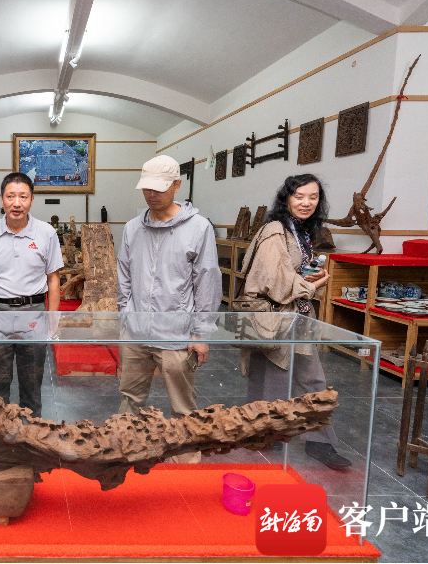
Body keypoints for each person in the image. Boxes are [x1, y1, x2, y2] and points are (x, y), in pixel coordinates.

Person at [240, 173, 351, 470]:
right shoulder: (275, 230)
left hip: (295, 317)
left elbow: (288, 275)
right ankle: (270, 438)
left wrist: (309, 278)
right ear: (286, 198)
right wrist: (310, 287)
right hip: (275, 318)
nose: (306, 203)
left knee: (309, 379)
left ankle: (316, 442)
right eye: (299, 196)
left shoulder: (299, 230)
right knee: (273, 380)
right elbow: (273, 280)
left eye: (313, 197)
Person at [116, 155, 221, 462]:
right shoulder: (132, 228)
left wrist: (201, 333)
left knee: (183, 407)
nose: (152, 194)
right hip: (136, 333)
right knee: (130, 399)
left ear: (177, 185)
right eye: (147, 188)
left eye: (160, 188)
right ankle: (123, 459)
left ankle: (185, 467)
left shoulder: (198, 228)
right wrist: (126, 315)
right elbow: (124, 275)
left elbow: (208, 282)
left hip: (177, 335)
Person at [0, 173, 62, 417]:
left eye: (23, 197)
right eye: (11, 196)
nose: (17, 203)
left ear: (32, 199)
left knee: (32, 387)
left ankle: (32, 432)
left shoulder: (46, 233)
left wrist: (53, 321)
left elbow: (53, 279)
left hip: (34, 314)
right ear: (2, 199)